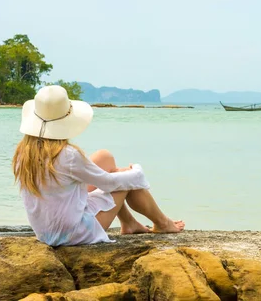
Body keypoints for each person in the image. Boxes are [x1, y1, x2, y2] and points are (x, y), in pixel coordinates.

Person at [12, 85, 184, 246]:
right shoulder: (68, 155)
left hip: (45, 232)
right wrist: (135, 170)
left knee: (104, 157)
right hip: (73, 234)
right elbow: (110, 184)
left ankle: (129, 223)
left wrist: (121, 173)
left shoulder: (24, 152)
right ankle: (163, 223)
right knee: (125, 182)